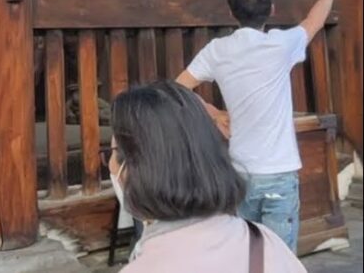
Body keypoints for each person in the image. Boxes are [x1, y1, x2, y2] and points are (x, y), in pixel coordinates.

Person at [176, 0, 341, 251]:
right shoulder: (281, 44)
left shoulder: (217, 50)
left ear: (232, 12)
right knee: (279, 258)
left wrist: (213, 113)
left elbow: (178, 88)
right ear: (272, 9)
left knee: (246, 254)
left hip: (240, 172)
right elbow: (314, 22)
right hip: (279, 173)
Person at [111, 81, 304, 271]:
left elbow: (184, 79)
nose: (111, 166)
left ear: (138, 168)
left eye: (112, 152)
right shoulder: (265, 245)